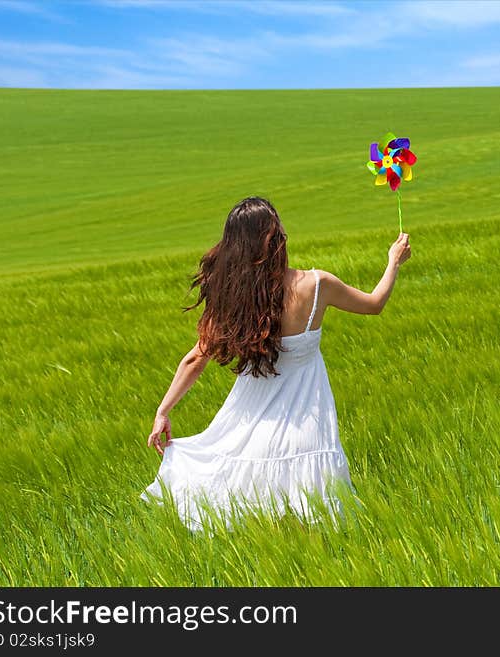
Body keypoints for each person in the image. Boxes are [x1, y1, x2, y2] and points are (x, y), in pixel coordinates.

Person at [140, 196, 411, 532]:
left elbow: (196, 358)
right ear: (277, 235)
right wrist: (393, 261)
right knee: (314, 518)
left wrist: (163, 411)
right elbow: (374, 304)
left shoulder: (233, 296)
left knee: (253, 510)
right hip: (308, 420)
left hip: (248, 421)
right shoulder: (316, 285)